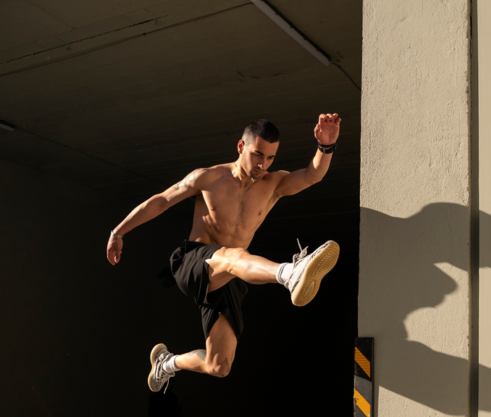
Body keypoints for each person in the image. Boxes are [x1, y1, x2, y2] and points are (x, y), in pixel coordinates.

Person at [106, 114, 341, 391]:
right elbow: (161, 202)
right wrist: (118, 232)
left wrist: (325, 147)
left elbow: (312, 175)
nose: (262, 165)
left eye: (270, 158)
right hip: (193, 262)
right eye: (257, 155)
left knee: (220, 366)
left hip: (229, 278)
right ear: (241, 147)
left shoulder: (273, 184)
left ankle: (167, 363)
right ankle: (289, 273)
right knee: (234, 256)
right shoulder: (209, 178)